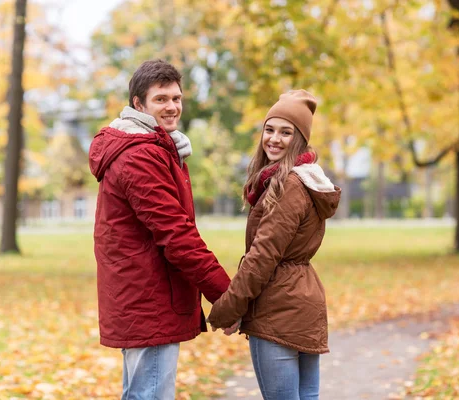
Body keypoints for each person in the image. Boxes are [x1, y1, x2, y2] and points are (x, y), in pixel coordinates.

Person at [88, 59, 231, 400]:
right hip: (148, 298)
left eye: (176, 98)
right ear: (138, 104)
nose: (172, 107)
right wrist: (225, 295)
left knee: (141, 392)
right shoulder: (140, 156)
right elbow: (176, 235)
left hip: (144, 295)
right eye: (161, 99)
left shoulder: (157, 149)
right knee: (149, 394)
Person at [207, 90, 341, 399]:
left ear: (299, 140)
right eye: (270, 129)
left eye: (286, 132)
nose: (275, 139)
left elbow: (262, 257)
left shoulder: (289, 186)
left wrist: (227, 309)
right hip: (302, 303)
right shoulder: (305, 179)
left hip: (278, 309)